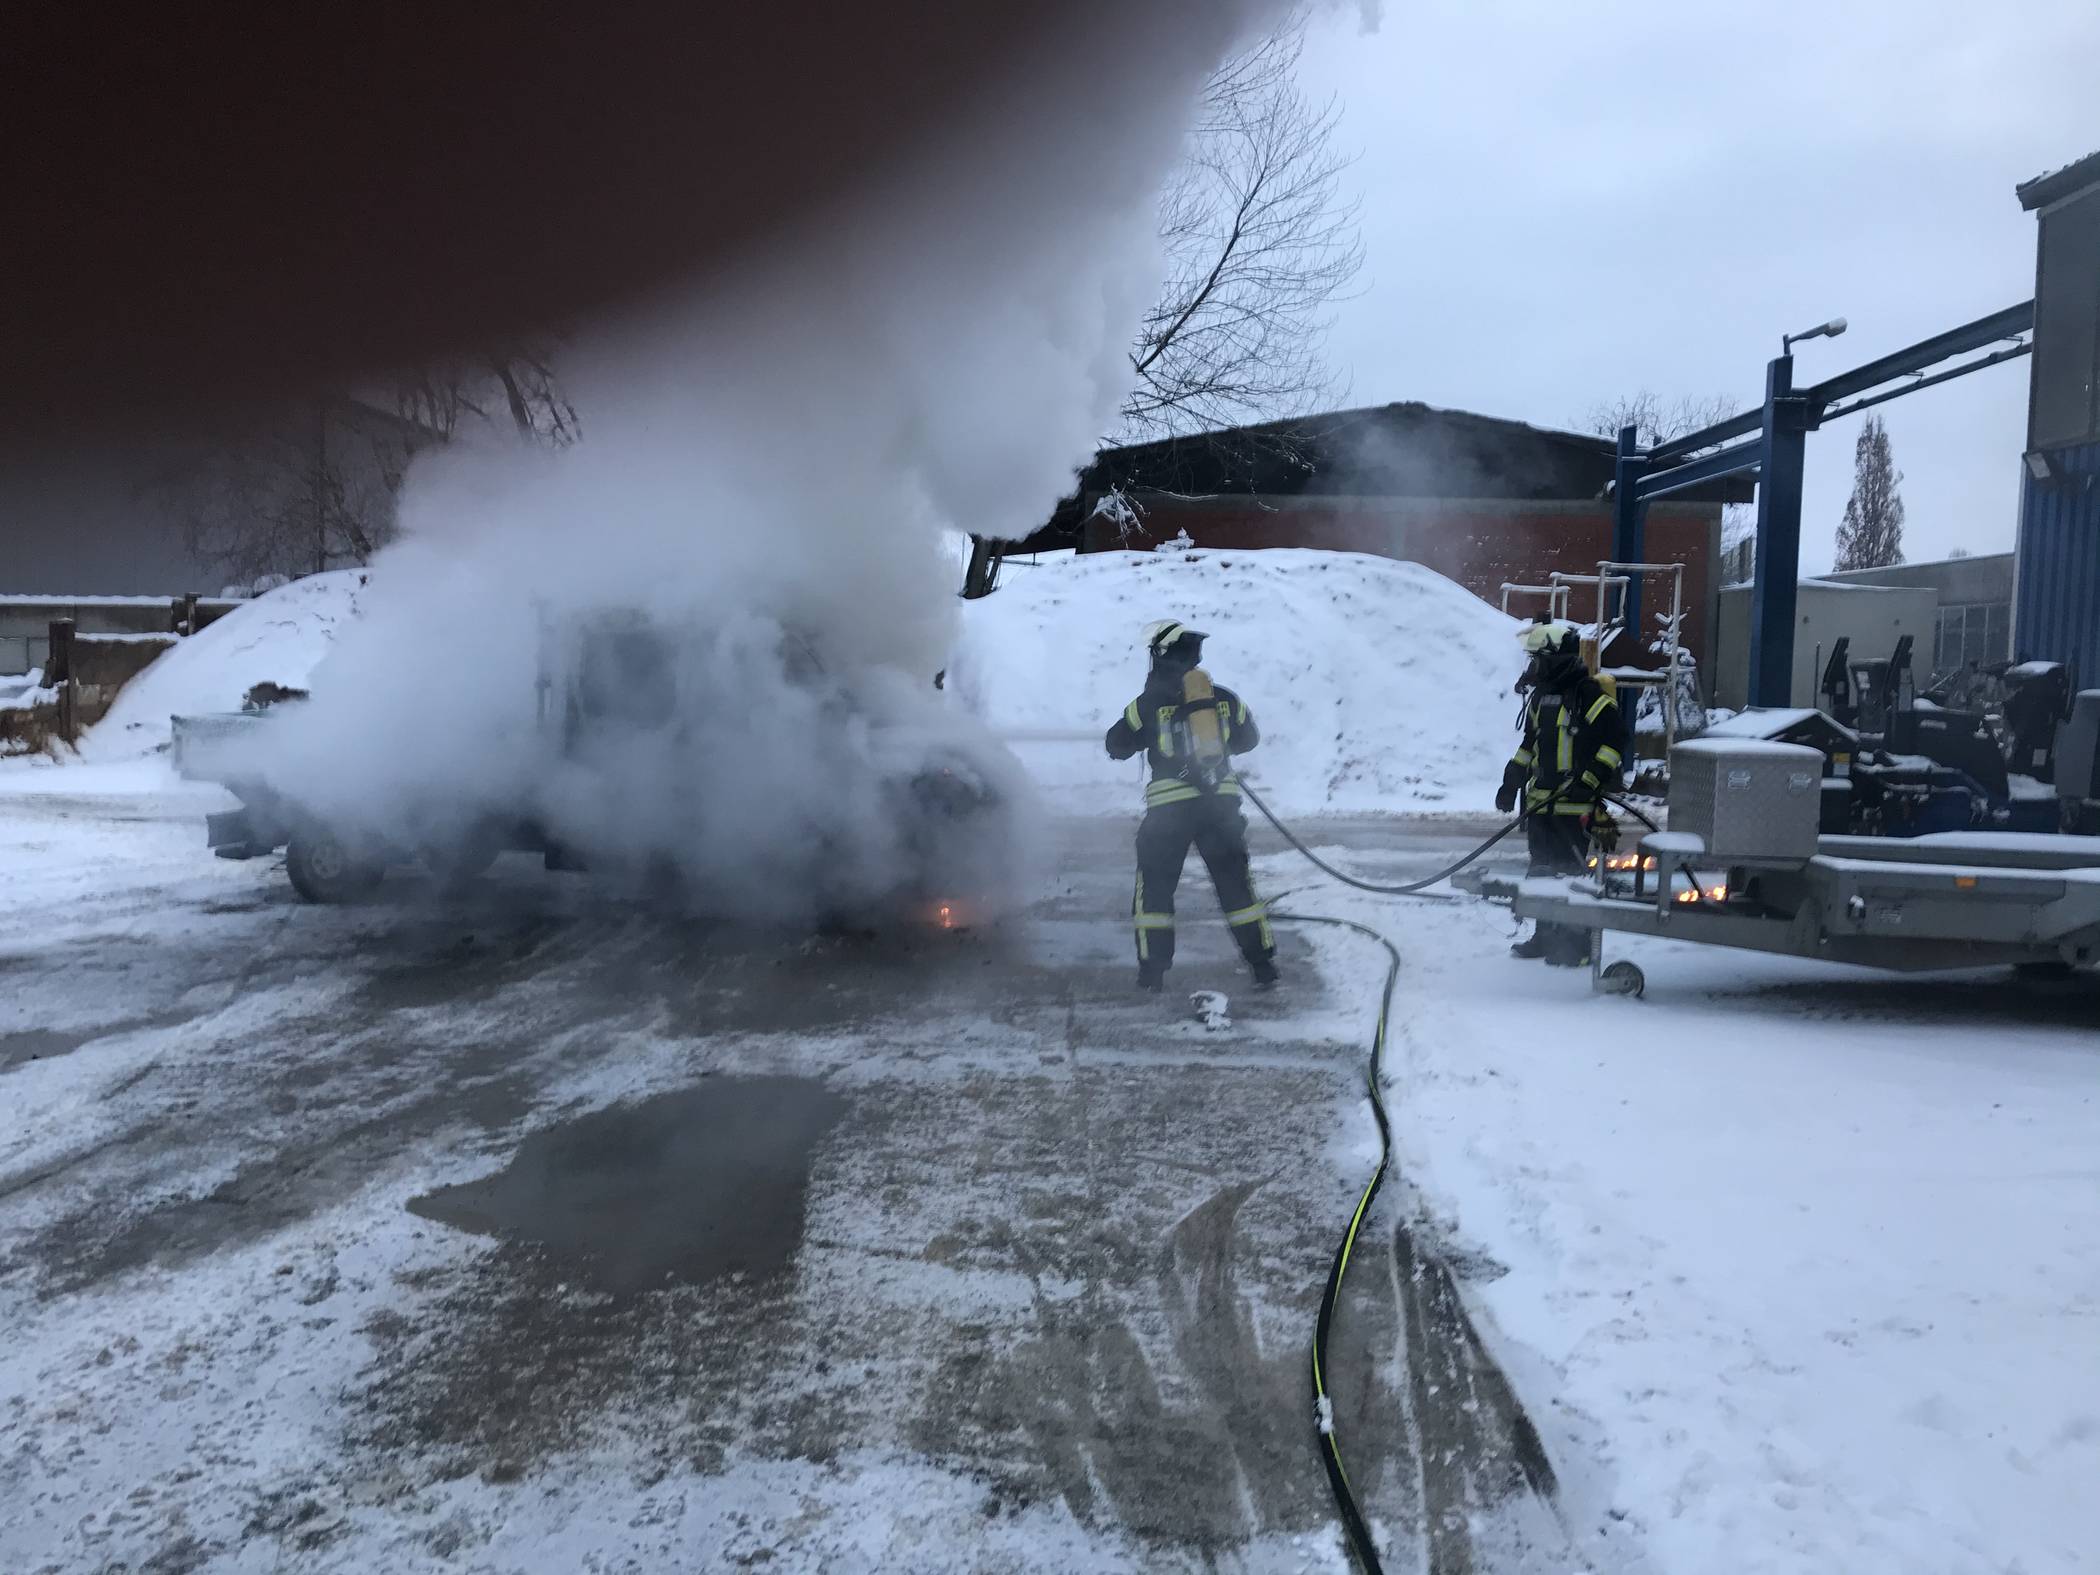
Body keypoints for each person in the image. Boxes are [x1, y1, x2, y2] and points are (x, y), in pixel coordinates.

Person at [1104, 621, 1279, 992]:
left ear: (1162, 655)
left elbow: (1116, 745)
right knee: (1237, 888)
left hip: (1169, 814)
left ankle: (1152, 974)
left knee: (1154, 890)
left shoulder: (1148, 704)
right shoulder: (1224, 698)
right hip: (1220, 808)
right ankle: (1263, 966)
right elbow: (1249, 739)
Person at [1496, 621, 1624, 966]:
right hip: (1541, 804)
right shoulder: (1543, 697)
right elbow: (1530, 745)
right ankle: (1544, 937)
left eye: (1538, 660)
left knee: (1572, 875)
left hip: (1574, 805)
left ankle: (1576, 946)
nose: (1533, 667)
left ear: (1556, 660)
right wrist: (1512, 781)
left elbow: (1614, 743)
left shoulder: (1589, 695)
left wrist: (1590, 780)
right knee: (1541, 871)